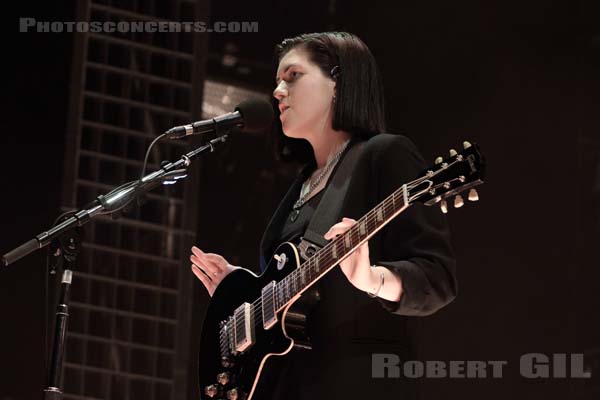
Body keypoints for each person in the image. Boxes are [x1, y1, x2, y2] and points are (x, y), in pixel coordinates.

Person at [190, 32, 457, 400]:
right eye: (277, 81)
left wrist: (372, 277)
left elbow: (437, 279)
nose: (278, 92)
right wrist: (242, 294)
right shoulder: (300, 184)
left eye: (293, 76)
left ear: (337, 83)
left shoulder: (384, 156)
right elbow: (284, 293)